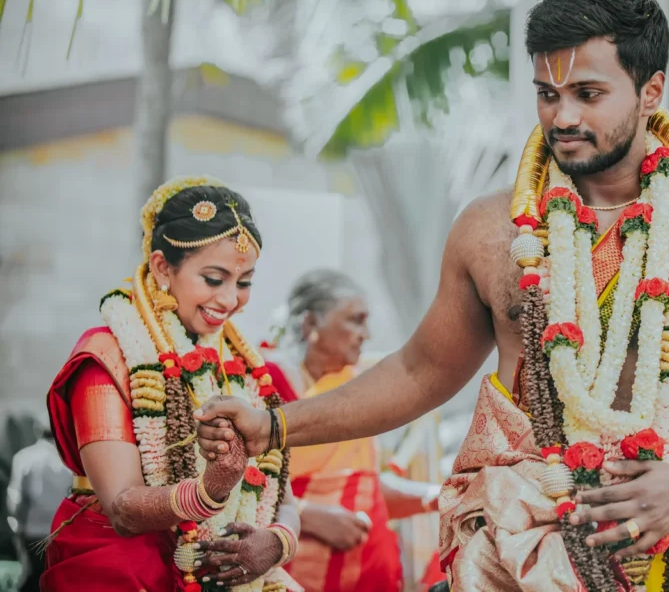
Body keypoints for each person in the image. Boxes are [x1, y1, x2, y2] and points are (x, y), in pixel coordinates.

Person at [197, 0, 669, 592]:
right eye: (547, 93)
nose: (562, 117)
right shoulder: (494, 232)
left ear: (651, 91)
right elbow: (419, 372)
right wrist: (273, 426)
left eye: (588, 94)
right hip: (517, 548)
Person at [42, 177, 302, 591]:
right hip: (122, 564)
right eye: (214, 279)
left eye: (245, 281)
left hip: (223, 570)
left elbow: (284, 497)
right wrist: (211, 489)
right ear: (163, 267)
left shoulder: (245, 368)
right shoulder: (108, 356)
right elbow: (122, 507)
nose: (231, 300)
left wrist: (277, 541)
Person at [264, 269, 442, 592]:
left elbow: (366, 486)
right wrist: (306, 515)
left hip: (370, 572)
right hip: (288, 573)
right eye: (355, 320)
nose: (366, 334)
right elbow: (242, 487)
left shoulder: (354, 388)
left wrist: (434, 497)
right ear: (310, 324)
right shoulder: (268, 382)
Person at [6, 426, 70, 591]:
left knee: (33, 578)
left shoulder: (24, 457)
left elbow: (16, 499)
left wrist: (16, 525)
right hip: (60, 532)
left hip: (32, 532)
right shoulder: (68, 459)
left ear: (37, 432)